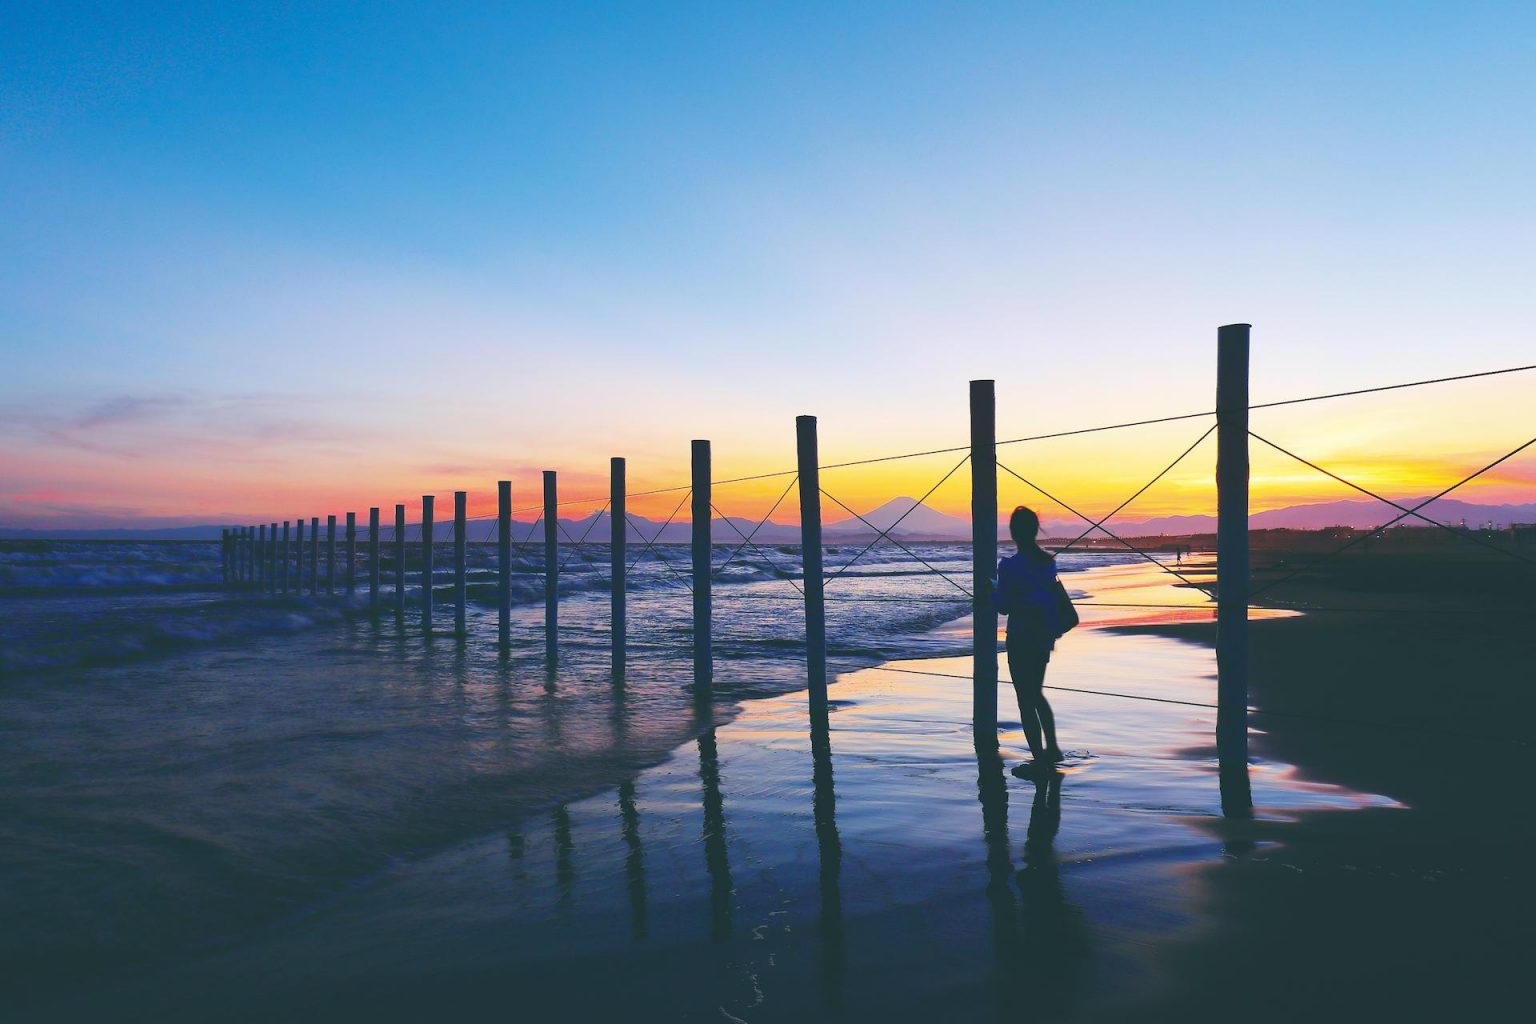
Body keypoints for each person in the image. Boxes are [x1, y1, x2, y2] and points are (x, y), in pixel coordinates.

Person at [994, 506, 1065, 776]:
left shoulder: (1010, 567)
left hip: (1021, 637)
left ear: (1013, 532)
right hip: (1043, 636)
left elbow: (1003, 606)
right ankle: (1053, 748)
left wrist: (993, 590)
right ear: (1035, 530)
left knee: (1026, 700)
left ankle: (1040, 762)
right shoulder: (1048, 562)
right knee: (1036, 693)